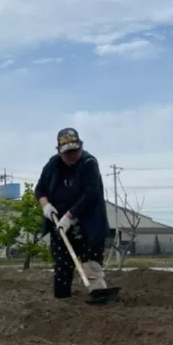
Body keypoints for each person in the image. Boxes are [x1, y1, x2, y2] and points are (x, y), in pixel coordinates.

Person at [35, 127, 111, 300]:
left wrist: (70, 216)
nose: (71, 156)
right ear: (59, 152)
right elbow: (40, 189)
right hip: (59, 224)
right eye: (66, 153)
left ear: (81, 147)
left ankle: (100, 297)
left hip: (88, 224)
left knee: (91, 264)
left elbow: (92, 194)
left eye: (74, 151)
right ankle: (62, 302)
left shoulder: (88, 163)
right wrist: (46, 206)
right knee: (62, 266)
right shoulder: (53, 164)